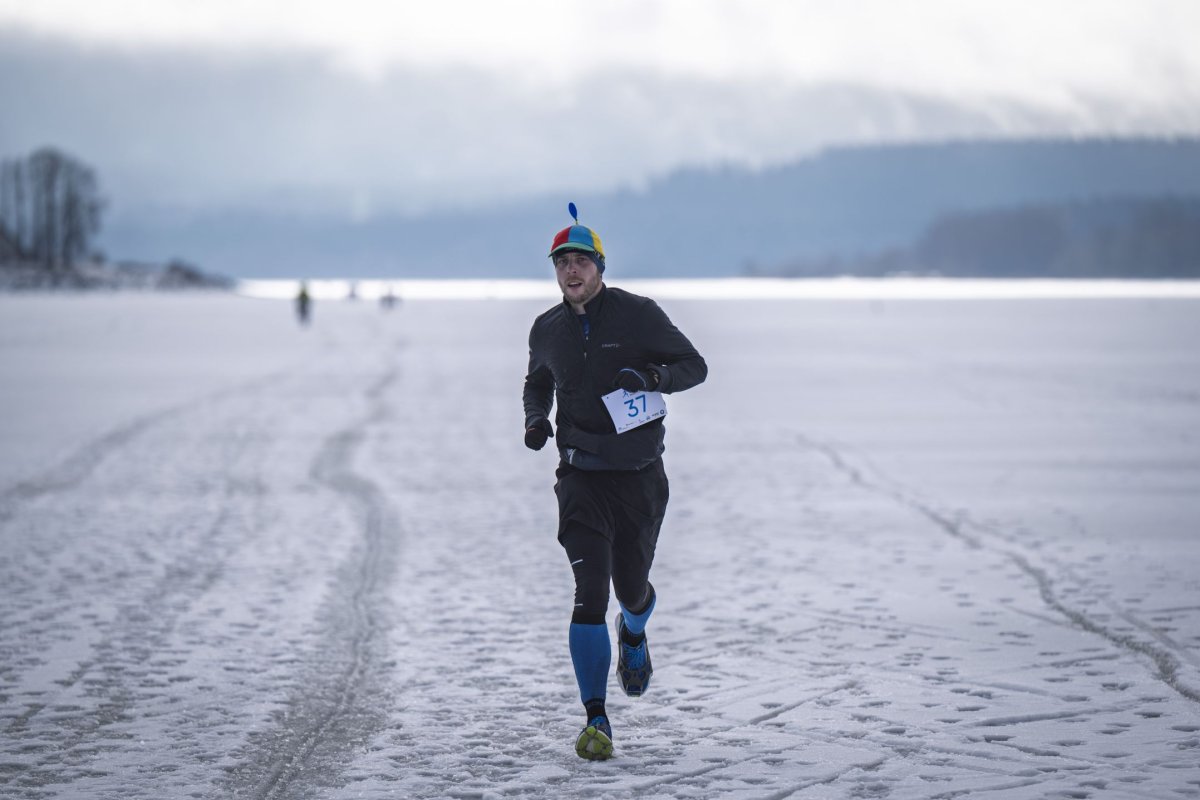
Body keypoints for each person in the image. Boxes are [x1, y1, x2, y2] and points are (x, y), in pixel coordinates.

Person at [522, 205, 707, 760]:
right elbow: (538, 382)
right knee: (589, 595)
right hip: (580, 476)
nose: (570, 270)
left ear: (600, 267)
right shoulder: (546, 328)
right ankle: (596, 718)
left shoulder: (638, 315)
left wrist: (653, 377)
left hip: (638, 478)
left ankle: (634, 630)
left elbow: (694, 366)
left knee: (630, 591)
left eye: (581, 261)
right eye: (562, 262)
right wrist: (536, 419)